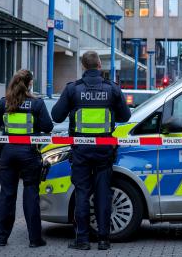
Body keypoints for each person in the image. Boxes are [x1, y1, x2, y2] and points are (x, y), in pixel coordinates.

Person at [51, 51, 131, 251]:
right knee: (103, 194)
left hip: (81, 151)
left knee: (82, 194)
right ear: (99, 65)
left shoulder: (73, 89)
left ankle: (83, 240)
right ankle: (104, 240)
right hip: (104, 150)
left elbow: (56, 116)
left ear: (84, 67)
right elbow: (126, 116)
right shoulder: (112, 88)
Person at [0, 69, 53, 247]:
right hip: (29, 154)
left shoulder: (5, 102)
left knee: (7, 195)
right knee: (31, 194)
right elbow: (47, 126)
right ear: (30, 83)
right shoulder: (36, 104)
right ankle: (34, 239)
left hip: (8, 153)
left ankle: (1, 238)